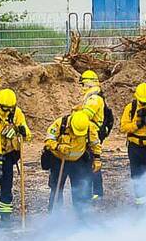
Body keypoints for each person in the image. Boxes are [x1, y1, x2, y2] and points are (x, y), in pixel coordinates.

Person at [43, 109, 101, 215]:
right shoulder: (61, 124)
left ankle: (81, 217)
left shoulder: (89, 127)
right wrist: (58, 146)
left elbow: (95, 143)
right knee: (56, 190)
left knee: (80, 190)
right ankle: (55, 216)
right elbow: (48, 140)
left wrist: (97, 159)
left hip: (78, 162)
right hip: (59, 161)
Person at [0, 88, 30, 222]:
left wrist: (20, 130)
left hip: (8, 154)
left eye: (10, 108)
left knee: (6, 186)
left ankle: (5, 216)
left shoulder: (17, 113)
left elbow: (27, 134)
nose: (7, 112)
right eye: (4, 109)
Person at [80, 71, 110, 200]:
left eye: (82, 84)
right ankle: (95, 191)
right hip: (92, 132)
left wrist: (75, 114)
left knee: (92, 161)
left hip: (93, 134)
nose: (81, 87)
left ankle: (96, 192)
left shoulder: (94, 98)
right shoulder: (93, 97)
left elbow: (86, 115)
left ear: (88, 83)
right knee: (91, 161)